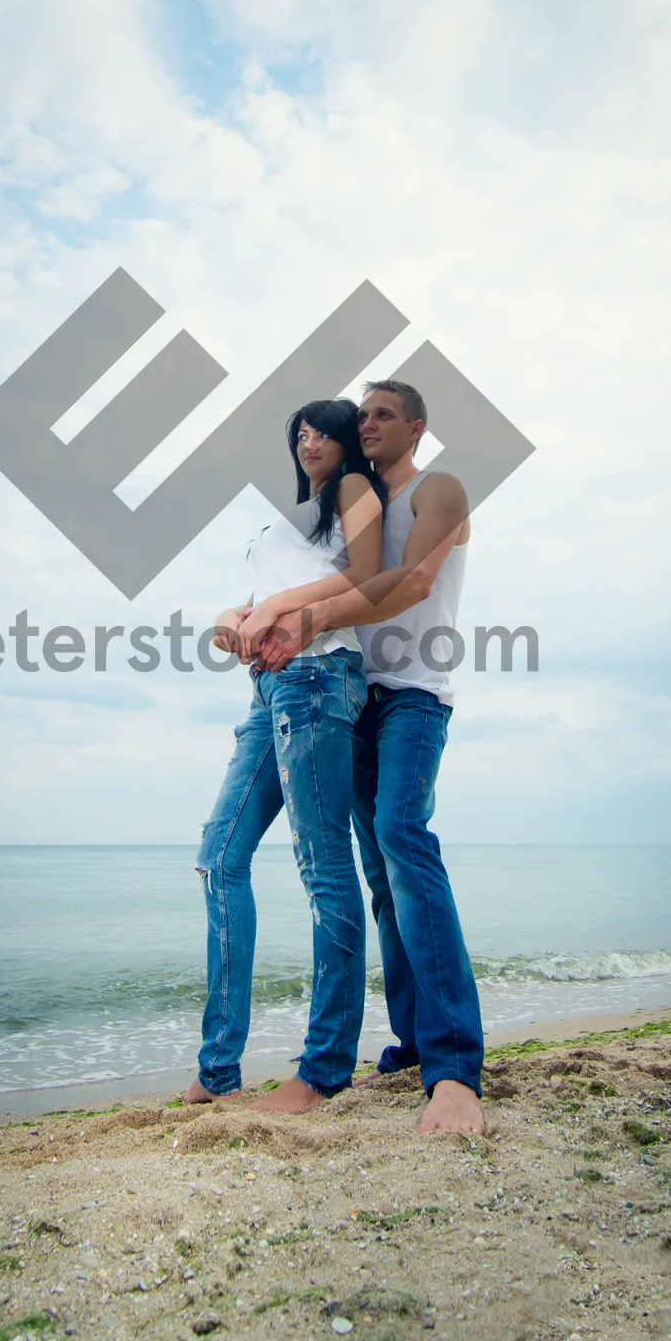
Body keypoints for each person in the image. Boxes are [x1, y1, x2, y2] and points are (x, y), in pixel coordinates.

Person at [243, 380, 484, 1136]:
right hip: (354, 697)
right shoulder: (357, 506)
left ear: (416, 426)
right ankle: (414, 1042)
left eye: (385, 414)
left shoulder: (438, 488)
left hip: (414, 695)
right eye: (365, 415)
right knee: (379, 873)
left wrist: (304, 616)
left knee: (405, 843)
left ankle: (454, 1069)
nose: (370, 423)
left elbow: (411, 582)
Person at [183, 399, 385, 1114]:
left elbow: (368, 574)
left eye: (322, 431)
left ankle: (326, 1068)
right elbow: (253, 598)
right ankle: (218, 1075)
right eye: (298, 431)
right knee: (219, 858)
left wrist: (279, 611)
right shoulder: (279, 521)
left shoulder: (354, 493)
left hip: (319, 678)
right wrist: (231, 617)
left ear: (344, 443)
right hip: (268, 692)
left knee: (324, 869)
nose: (308, 440)